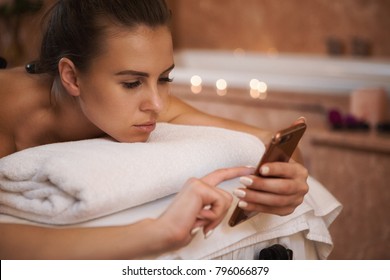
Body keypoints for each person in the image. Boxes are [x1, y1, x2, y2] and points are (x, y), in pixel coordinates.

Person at [0, 0, 308, 259]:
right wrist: (155, 233)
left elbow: (269, 139)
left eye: (164, 78)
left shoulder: (140, 105)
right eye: (132, 83)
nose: (158, 105)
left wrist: (289, 177)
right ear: (72, 77)